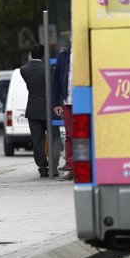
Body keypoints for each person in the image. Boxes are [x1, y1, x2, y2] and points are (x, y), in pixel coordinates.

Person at [20, 44, 54, 178]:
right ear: (43, 55)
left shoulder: (24, 70)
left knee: (37, 140)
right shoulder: (48, 69)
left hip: (33, 109)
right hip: (47, 109)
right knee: (52, 138)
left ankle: (42, 168)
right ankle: (53, 165)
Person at [52, 41, 74, 181]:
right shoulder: (64, 56)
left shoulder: (88, 54)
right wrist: (56, 103)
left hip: (86, 102)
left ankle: (87, 167)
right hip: (68, 102)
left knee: (86, 136)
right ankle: (70, 169)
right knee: (70, 137)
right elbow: (55, 81)